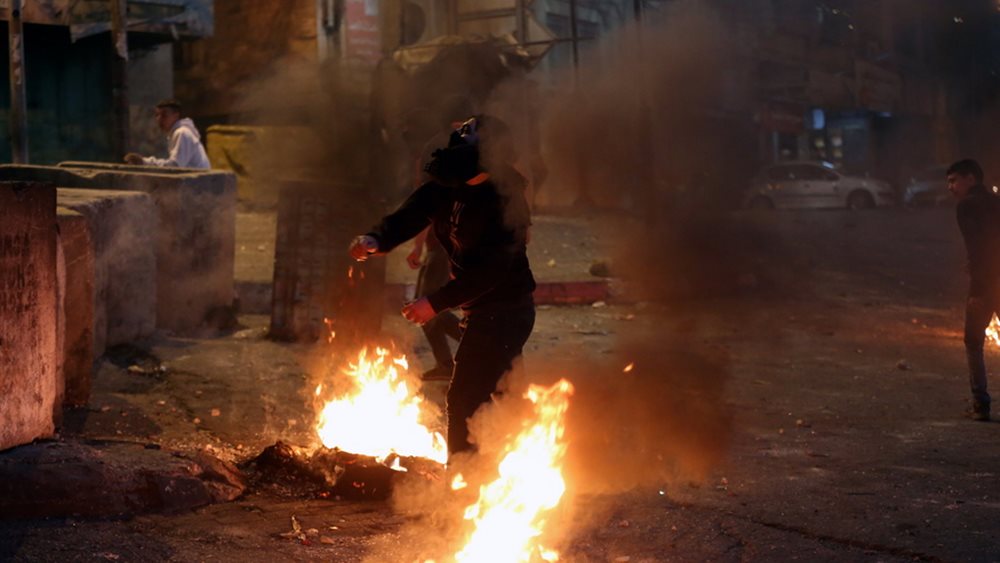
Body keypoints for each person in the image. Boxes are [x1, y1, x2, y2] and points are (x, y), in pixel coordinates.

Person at [349, 116, 535, 456]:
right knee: (503, 396)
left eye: (466, 145)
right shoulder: (446, 186)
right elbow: (411, 214)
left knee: (466, 396)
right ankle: (502, 469)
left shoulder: (506, 202)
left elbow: (492, 271)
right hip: (479, 309)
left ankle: (464, 482)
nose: (454, 150)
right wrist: (377, 238)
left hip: (505, 311)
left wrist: (435, 303)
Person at [949, 158, 1000, 421]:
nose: (951, 187)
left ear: (970, 178)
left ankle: (981, 404)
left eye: (954, 180)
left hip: (985, 284)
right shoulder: (996, 201)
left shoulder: (967, 206)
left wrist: (979, 289)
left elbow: (979, 248)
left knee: (973, 341)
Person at [125, 99, 211, 169]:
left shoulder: (182, 133)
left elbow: (175, 166)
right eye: (157, 115)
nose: (159, 119)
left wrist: (144, 162)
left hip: (199, 187)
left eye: (164, 115)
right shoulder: (178, 132)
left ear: (176, 116)